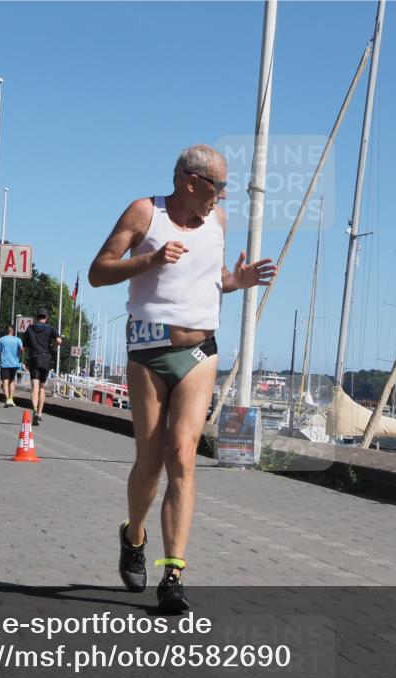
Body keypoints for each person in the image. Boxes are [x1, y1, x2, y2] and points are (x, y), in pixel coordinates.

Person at [88, 144, 275, 612]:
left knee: (183, 456)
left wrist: (240, 281)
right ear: (191, 182)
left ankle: (172, 574)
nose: (224, 196)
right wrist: (149, 261)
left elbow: (211, 282)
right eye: (220, 186)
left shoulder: (219, 223)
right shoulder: (144, 212)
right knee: (149, 461)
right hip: (148, 352)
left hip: (199, 351)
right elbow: (97, 272)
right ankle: (134, 537)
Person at [22, 308, 61, 426]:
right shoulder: (50, 328)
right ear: (46, 317)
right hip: (45, 358)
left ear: (36, 317)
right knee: (42, 388)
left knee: (34, 387)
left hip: (34, 358)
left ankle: (34, 410)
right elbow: (59, 340)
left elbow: (24, 346)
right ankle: (39, 413)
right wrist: (52, 346)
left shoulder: (30, 328)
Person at [0, 325, 24, 407]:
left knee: (5, 381)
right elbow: (22, 349)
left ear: (7, 331)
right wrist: (18, 355)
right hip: (15, 363)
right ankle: (11, 398)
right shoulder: (17, 339)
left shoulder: (1, 339)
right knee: (12, 381)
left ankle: (7, 399)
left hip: (4, 363)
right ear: (13, 331)